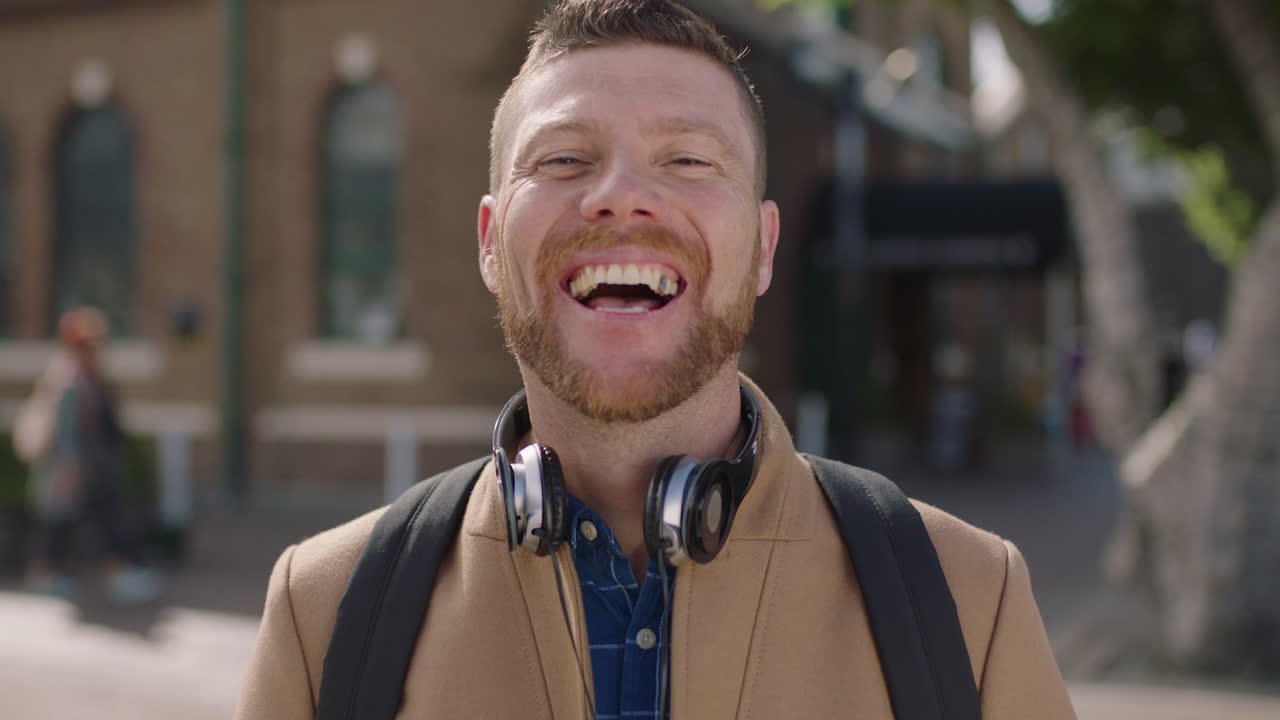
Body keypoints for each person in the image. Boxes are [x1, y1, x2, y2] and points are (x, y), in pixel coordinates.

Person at [235, 1, 1075, 717]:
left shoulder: (969, 604)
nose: (622, 194)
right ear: (492, 245)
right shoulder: (324, 615)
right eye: (564, 158)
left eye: (688, 159)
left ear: (764, 249)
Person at [21, 307, 160, 605]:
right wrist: (70, 468)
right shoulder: (69, 380)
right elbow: (67, 429)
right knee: (72, 521)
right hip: (77, 468)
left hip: (93, 467)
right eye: (89, 344)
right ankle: (58, 573)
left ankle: (115, 572)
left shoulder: (89, 377)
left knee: (88, 520)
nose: (96, 349)